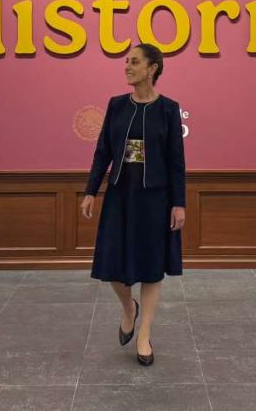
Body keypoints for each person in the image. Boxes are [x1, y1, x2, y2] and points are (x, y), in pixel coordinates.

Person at [80, 43, 186, 366]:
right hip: (120, 196)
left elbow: (176, 162)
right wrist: (90, 190)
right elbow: (103, 152)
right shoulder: (116, 105)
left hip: (156, 199)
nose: (127, 67)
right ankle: (129, 308)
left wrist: (178, 203)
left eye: (135, 62)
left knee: (152, 268)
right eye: (126, 62)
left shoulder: (168, 109)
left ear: (152, 68)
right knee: (111, 263)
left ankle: (144, 335)